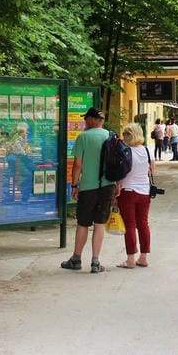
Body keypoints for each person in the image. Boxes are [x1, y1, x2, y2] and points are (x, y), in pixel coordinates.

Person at [62, 107, 116, 274]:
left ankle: (76, 259)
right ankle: (95, 262)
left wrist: (74, 185)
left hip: (88, 187)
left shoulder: (83, 137)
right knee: (99, 224)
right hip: (108, 186)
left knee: (83, 223)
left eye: (86, 118)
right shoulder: (111, 136)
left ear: (93, 120)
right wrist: (118, 185)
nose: (85, 121)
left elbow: (78, 165)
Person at [114, 122, 153, 268]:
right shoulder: (147, 151)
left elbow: (122, 174)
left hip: (128, 191)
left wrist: (117, 189)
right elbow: (151, 170)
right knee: (143, 224)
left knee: (129, 224)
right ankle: (143, 257)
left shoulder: (125, 152)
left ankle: (130, 259)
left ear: (129, 135)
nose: (123, 136)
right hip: (144, 192)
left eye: (125, 134)